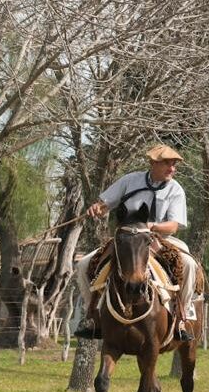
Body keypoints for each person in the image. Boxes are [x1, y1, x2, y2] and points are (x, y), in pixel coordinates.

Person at [73, 144, 197, 341]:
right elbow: (106, 204)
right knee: (83, 264)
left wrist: (150, 227)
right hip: (126, 240)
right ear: (153, 163)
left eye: (174, 165)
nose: (172, 169)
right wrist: (98, 208)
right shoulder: (130, 180)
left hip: (159, 239)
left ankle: (184, 316)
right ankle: (92, 317)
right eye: (167, 164)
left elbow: (173, 225)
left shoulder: (176, 190)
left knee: (189, 264)